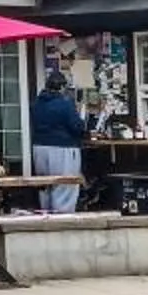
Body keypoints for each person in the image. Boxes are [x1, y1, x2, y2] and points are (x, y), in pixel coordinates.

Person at [30, 68, 88, 214]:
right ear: (62, 87)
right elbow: (77, 127)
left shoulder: (36, 104)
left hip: (39, 148)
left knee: (45, 186)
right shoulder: (65, 104)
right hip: (63, 148)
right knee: (65, 186)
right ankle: (62, 220)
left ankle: (45, 216)